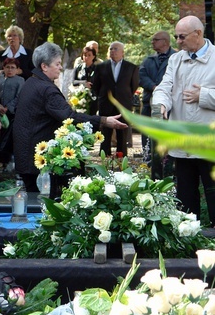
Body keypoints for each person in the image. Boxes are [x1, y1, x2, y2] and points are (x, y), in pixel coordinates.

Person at [13, 42, 127, 192]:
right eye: (57, 64)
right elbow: (69, 116)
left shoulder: (31, 81)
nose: (60, 67)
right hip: (35, 160)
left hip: (26, 155)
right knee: (41, 201)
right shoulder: (46, 89)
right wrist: (104, 120)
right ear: (44, 66)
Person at [152, 15, 215, 220]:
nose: (177, 42)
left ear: (198, 34)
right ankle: (188, 244)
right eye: (175, 36)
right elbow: (165, 87)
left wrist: (203, 95)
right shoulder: (176, 59)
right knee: (185, 202)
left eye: (181, 37)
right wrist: (161, 104)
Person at [92, 41, 139, 156]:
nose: (112, 51)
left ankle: (121, 157)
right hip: (106, 103)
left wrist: (124, 95)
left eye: (115, 49)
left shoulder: (131, 67)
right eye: (111, 49)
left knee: (122, 133)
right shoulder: (101, 67)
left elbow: (134, 86)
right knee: (105, 133)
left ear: (122, 52)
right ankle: (104, 157)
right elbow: (96, 86)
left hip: (123, 104)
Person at [139, 31, 174, 175]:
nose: (152, 42)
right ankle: (150, 166)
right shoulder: (148, 60)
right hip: (149, 104)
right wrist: (154, 87)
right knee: (148, 137)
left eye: (155, 40)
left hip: (169, 107)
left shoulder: (176, 58)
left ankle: (169, 170)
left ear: (165, 42)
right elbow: (141, 76)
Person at [73, 45, 98, 115]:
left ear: (93, 56)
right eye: (85, 55)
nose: (86, 57)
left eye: (89, 55)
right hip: (79, 96)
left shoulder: (97, 69)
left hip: (93, 98)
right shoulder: (78, 68)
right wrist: (83, 83)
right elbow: (73, 82)